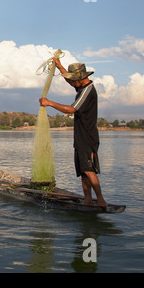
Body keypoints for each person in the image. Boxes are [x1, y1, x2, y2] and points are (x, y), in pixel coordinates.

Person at [39, 59, 107, 206]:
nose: (72, 83)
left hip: (88, 138)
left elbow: (71, 109)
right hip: (80, 137)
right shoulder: (82, 87)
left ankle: (101, 200)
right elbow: (71, 82)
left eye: (74, 80)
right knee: (83, 172)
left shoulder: (88, 90)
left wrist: (50, 103)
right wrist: (59, 66)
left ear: (81, 78)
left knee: (89, 170)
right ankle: (88, 200)